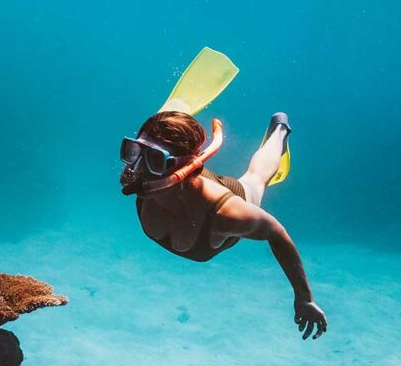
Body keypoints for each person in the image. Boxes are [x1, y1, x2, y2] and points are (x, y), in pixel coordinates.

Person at [120, 111, 328, 339]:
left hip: (213, 194)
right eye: (134, 151)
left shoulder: (226, 213)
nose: (137, 168)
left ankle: (280, 130)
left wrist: (304, 297)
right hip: (183, 180)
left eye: (154, 159)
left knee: (256, 178)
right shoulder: (142, 174)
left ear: (183, 167)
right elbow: (146, 160)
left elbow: (276, 232)